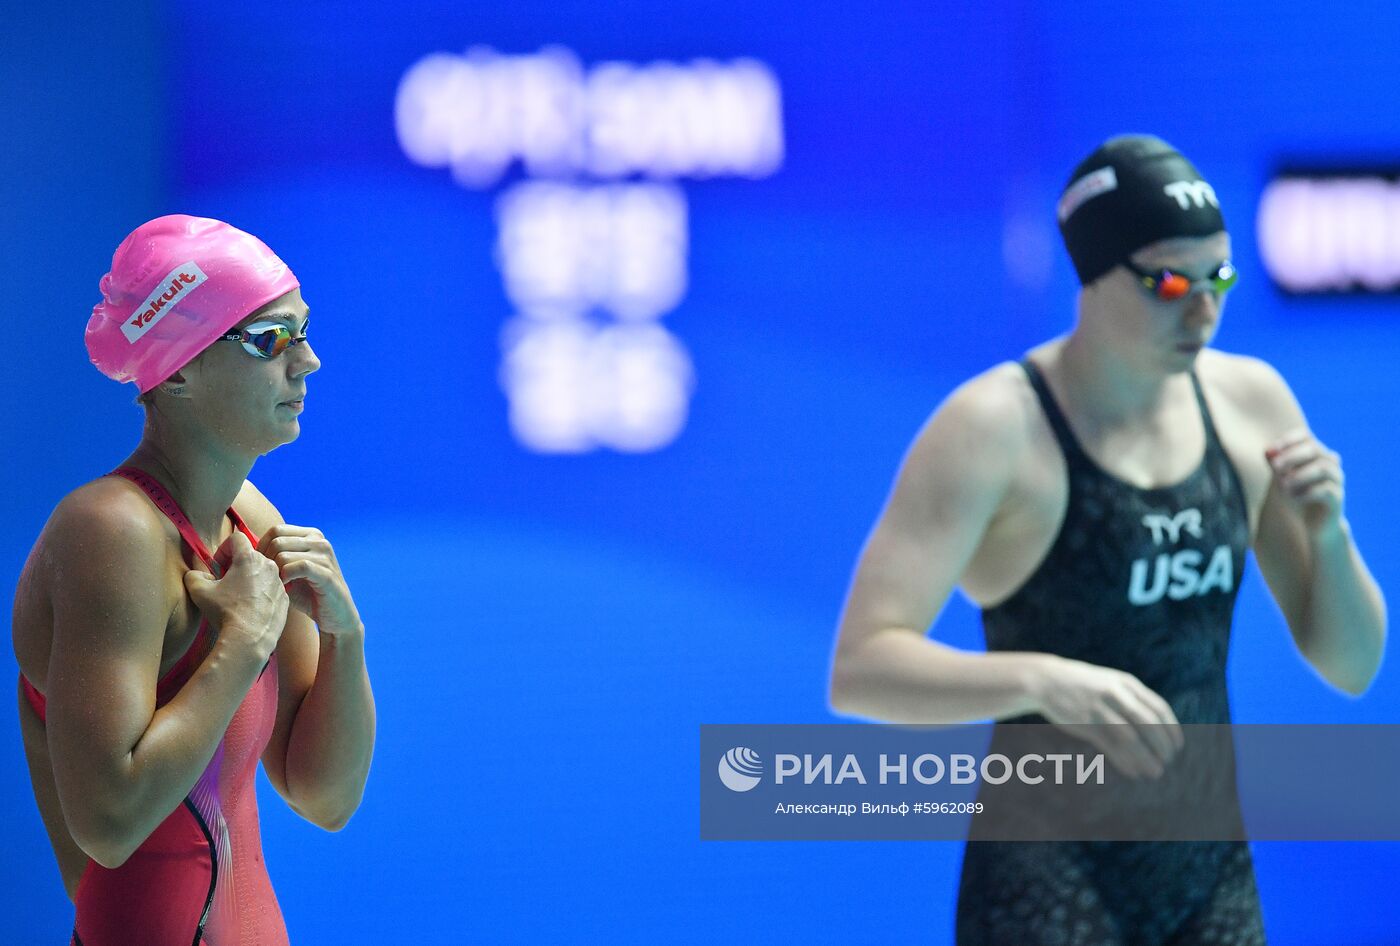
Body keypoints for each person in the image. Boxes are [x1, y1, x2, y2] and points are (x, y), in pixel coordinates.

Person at [828, 135, 1386, 945]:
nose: (1202, 311)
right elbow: (861, 668)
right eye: (1168, 282)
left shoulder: (1249, 404)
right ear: (1092, 275)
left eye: (1219, 278)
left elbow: (1353, 665)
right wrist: (1042, 681)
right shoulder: (995, 428)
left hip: (1209, 879)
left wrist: (1327, 534)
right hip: (1047, 880)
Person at [12, 214, 377, 945]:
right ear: (176, 369)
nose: (307, 361)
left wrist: (345, 636)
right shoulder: (110, 531)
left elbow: (324, 796)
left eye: (302, 331)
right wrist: (241, 644)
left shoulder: (246, 517)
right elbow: (110, 825)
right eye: (269, 339)